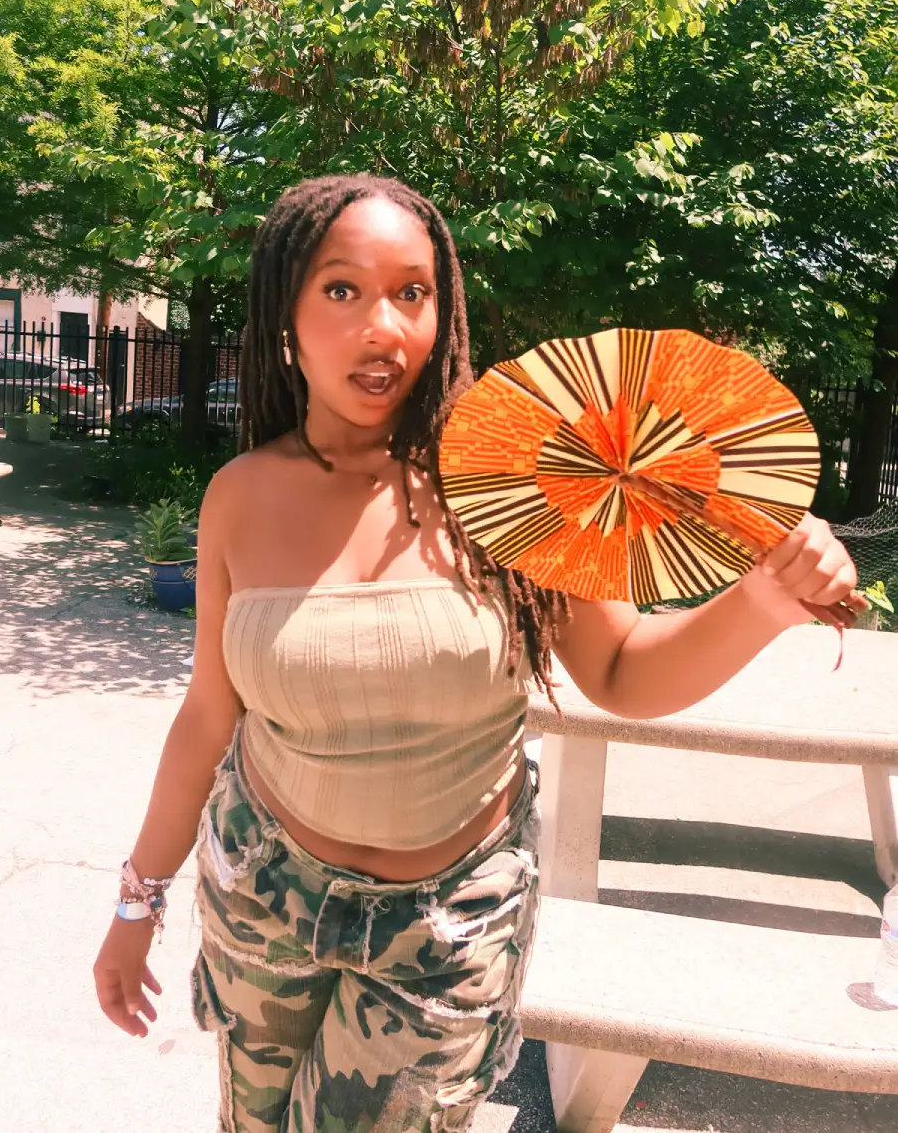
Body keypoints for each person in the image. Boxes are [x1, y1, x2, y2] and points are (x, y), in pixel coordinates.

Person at [93, 174, 858, 1133]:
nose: (385, 328)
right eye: (342, 290)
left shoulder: (523, 479)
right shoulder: (241, 495)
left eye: (412, 292)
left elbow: (621, 675)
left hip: (447, 924)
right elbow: (211, 712)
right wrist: (137, 905)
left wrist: (763, 603)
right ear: (285, 314)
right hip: (265, 894)